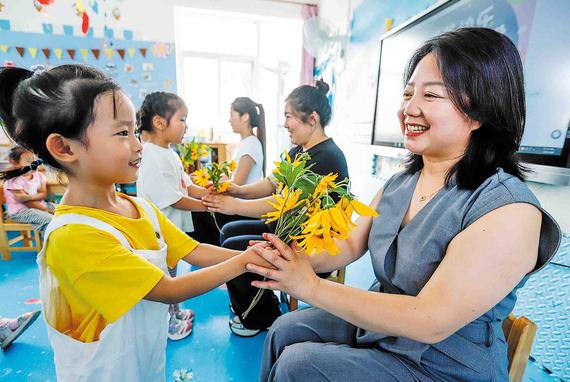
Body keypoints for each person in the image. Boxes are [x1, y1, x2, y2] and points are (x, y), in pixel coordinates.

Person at [245, 28, 562, 381]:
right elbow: (350, 242)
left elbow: (430, 319)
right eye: (408, 93)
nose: (409, 109)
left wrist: (312, 287)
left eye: (431, 95)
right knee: (284, 330)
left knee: (298, 366)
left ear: (479, 112)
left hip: (442, 364)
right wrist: (289, 259)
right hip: (386, 333)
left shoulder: (510, 211)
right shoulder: (401, 182)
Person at [0, 64, 270, 381]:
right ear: (64, 147)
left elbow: (193, 251)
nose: (138, 144)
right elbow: (168, 289)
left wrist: (257, 256)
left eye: (134, 131)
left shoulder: (139, 208)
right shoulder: (72, 236)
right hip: (100, 373)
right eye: (123, 133)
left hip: (144, 360)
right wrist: (246, 262)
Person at [202, 80, 349, 337]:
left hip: (306, 243)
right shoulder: (299, 150)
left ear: (311, 119)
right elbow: (273, 183)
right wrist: (238, 191)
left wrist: (235, 204)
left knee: (233, 248)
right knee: (229, 229)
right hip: (286, 228)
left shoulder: (327, 157)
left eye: (289, 116)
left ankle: (264, 318)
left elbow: (283, 205)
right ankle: (249, 297)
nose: (285, 123)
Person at [136, 92, 210, 340]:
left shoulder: (169, 152)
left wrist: (208, 192)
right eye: (182, 119)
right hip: (157, 232)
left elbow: (186, 186)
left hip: (172, 231)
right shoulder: (150, 156)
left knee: (173, 272)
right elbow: (174, 198)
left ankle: (175, 312)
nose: (186, 126)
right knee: (165, 278)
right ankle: (167, 323)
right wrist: (209, 207)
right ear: (159, 122)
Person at [190, 96, 267, 244]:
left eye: (232, 115)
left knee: (198, 208)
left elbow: (236, 183)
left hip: (242, 207)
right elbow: (230, 178)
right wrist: (205, 180)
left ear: (245, 117)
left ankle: (212, 250)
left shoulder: (251, 144)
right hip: (237, 201)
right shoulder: (245, 143)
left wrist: (206, 183)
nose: (229, 120)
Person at [1, 146, 55, 238]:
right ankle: (50, 245)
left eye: (34, 159)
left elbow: (43, 194)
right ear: (15, 163)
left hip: (39, 206)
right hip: (20, 212)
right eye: (28, 161)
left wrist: (26, 197)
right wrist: (48, 210)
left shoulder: (39, 176)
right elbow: (29, 203)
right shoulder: (13, 180)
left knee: (64, 210)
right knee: (50, 220)